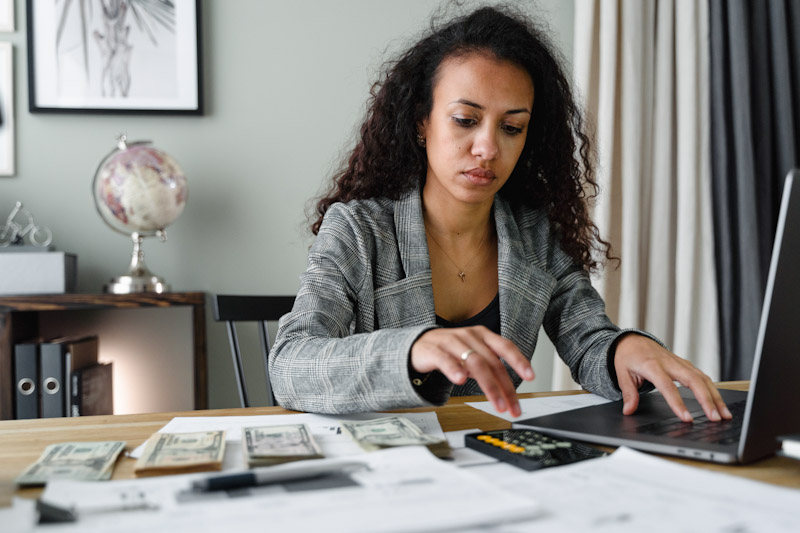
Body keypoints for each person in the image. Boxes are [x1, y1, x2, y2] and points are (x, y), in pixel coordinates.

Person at [270, 5, 731, 423]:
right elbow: (290, 363)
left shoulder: (533, 235)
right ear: (421, 122)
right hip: (390, 470)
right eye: (466, 120)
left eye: (512, 127)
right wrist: (411, 350)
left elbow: (588, 338)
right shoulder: (358, 230)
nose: (488, 148)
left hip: (494, 460)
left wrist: (625, 347)